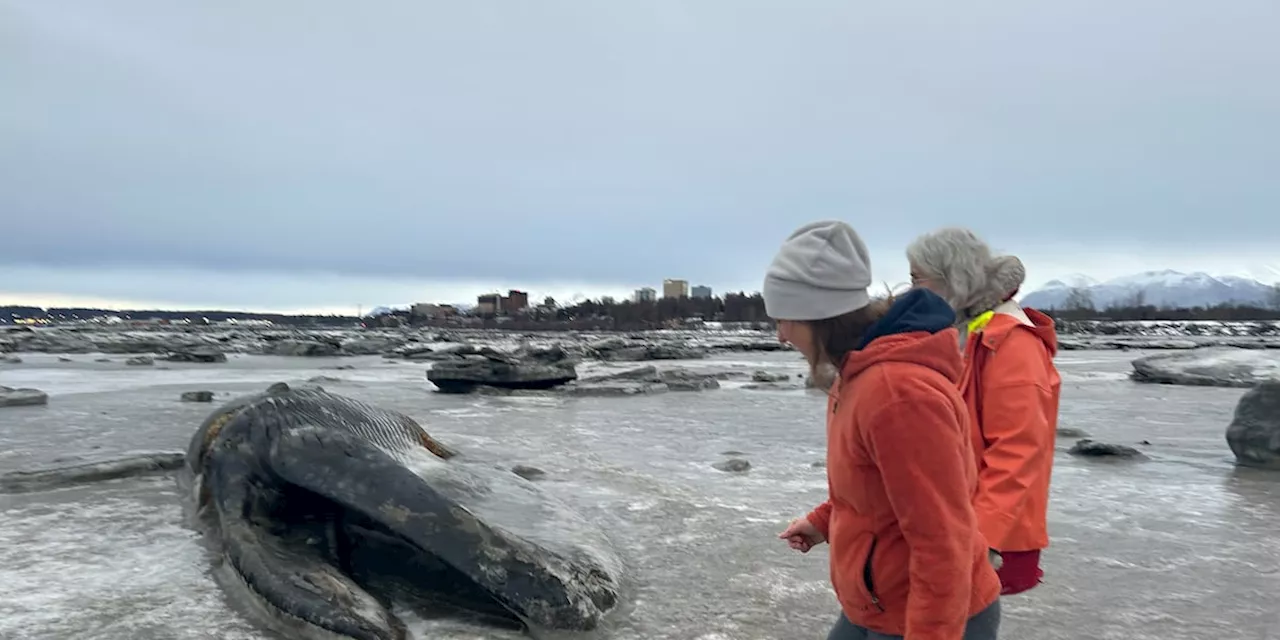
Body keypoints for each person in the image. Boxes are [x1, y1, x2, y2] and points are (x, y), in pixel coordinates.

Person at [768, 220, 1001, 640]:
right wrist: (824, 521)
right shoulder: (855, 376)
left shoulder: (898, 395)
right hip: (876, 606)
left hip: (929, 617)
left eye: (785, 319)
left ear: (821, 318)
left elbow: (942, 540)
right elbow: (872, 485)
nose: (781, 336)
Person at [906, 227, 1062, 596]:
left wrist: (979, 541)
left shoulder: (1013, 345)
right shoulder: (967, 331)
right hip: (950, 526)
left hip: (984, 540)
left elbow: (1019, 453)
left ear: (951, 277)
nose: (910, 290)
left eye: (916, 278)